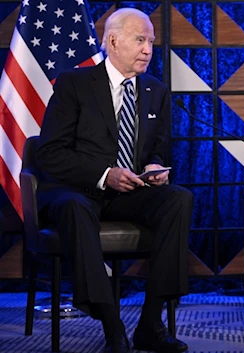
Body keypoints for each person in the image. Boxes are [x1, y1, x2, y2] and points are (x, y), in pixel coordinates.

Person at [36, 8, 193, 353]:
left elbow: (159, 149)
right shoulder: (73, 84)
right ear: (113, 41)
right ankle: (112, 325)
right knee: (75, 207)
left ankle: (151, 323)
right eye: (140, 40)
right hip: (77, 190)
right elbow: (50, 153)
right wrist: (105, 175)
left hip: (129, 192)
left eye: (151, 41)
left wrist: (155, 168)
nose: (148, 49)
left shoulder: (155, 90)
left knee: (178, 199)